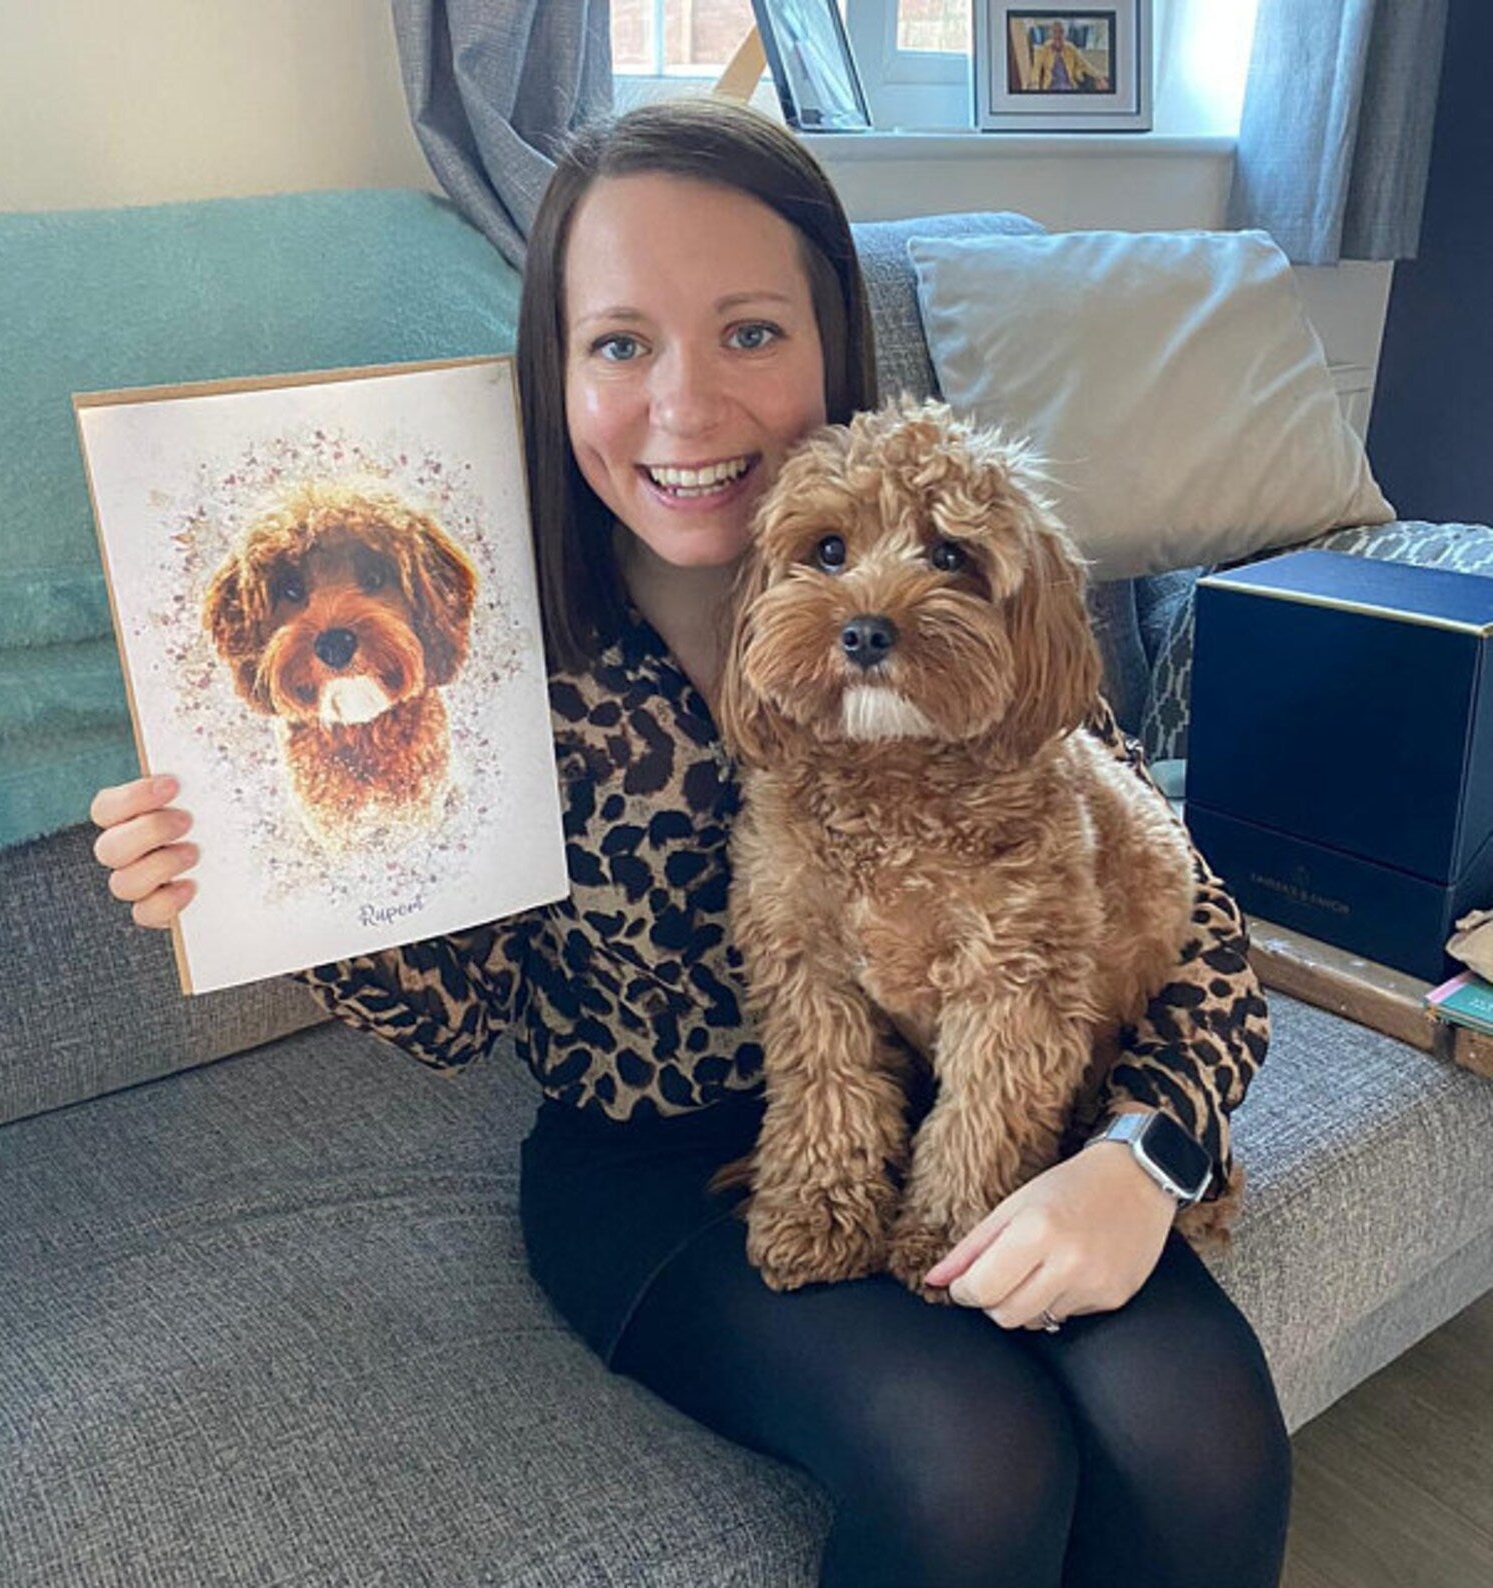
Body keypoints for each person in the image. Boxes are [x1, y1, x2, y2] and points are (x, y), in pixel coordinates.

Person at [89, 97, 1291, 1588]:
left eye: (749, 333)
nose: (685, 406)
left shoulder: (967, 604)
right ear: (557, 371)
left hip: (981, 1103)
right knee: (970, 1462)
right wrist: (255, 878)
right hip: (648, 1163)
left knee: (1200, 1432)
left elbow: (1196, 929)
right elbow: (451, 1015)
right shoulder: (493, 646)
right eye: (619, 344)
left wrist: (1142, 1155)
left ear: (833, 344)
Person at [1029, 21, 1110, 93]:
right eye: (1055, 32)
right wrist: (1034, 84)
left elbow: (1085, 64)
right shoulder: (1045, 48)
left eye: (1061, 32)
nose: (1058, 35)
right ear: (1051, 34)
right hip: (1051, 87)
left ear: (1065, 34)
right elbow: (1036, 68)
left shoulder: (1070, 48)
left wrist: (1100, 77)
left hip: (1068, 86)